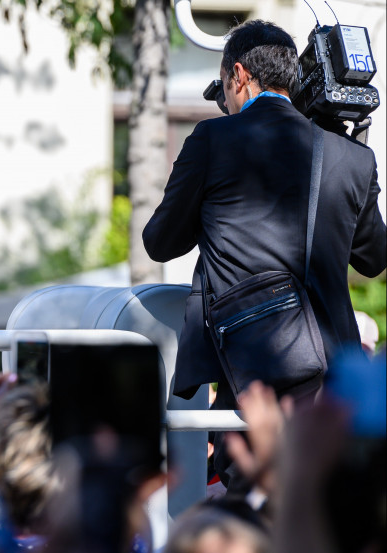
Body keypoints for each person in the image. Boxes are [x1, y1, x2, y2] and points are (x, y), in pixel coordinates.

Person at [143, 20, 387, 490]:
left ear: (239, 75)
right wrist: (354, 150)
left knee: (256, 509)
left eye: (225, 90)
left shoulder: (211, 141)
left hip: (252, 380)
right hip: (332, 383)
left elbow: (160, 241)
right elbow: (373, 258)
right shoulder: (352, 156)